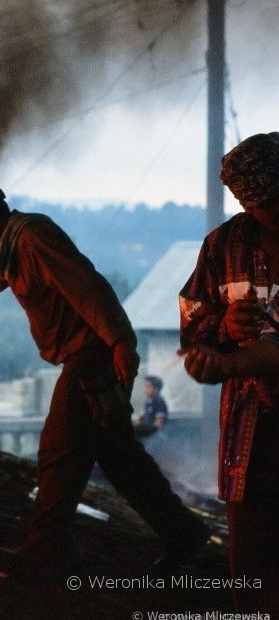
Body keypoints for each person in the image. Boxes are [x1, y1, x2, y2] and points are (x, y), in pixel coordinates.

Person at [0, 179, 208, 578]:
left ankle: (43, 554)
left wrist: (121, 345)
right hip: (88, 357)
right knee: (120, 458)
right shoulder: (6, 252)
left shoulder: (32, 239)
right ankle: (184, 533)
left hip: (92, 359)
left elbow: (89, 288)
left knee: (59, 452)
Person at [179, 131, 279, 615]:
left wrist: (234, 360)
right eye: (261, 205)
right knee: (253, 558)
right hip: (251, 432)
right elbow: (192, 324)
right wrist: (221, 325)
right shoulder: (223, 245)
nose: (272, 214)